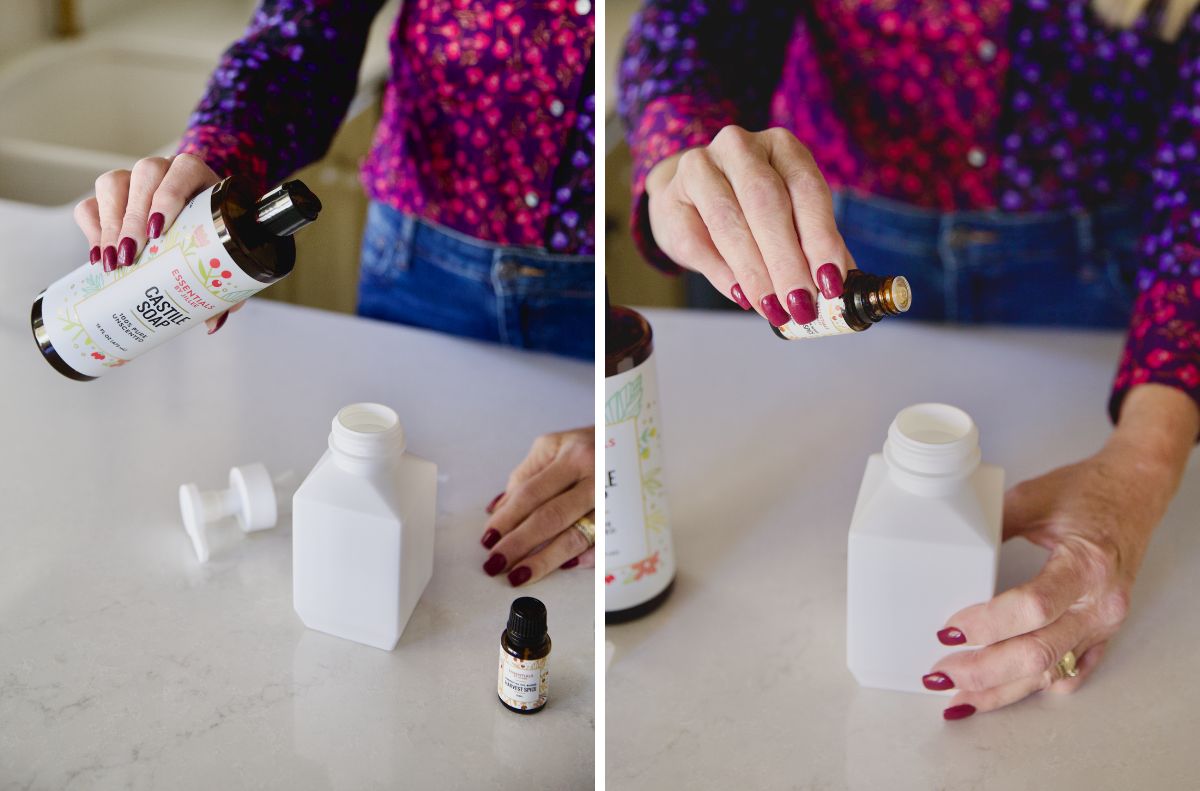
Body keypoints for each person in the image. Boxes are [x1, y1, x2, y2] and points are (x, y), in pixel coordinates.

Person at [619, 0, 1200, 718]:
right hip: (825, 237)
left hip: (1105, 274)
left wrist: (1142, 465)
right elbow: (689, 26)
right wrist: (682, 159)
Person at [72, 0, 596, 584]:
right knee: (401, 522)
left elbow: (690, 45)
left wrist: (627, 442)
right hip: (419, 265)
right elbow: (306, 33)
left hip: (599, 300)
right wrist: (219, 157)